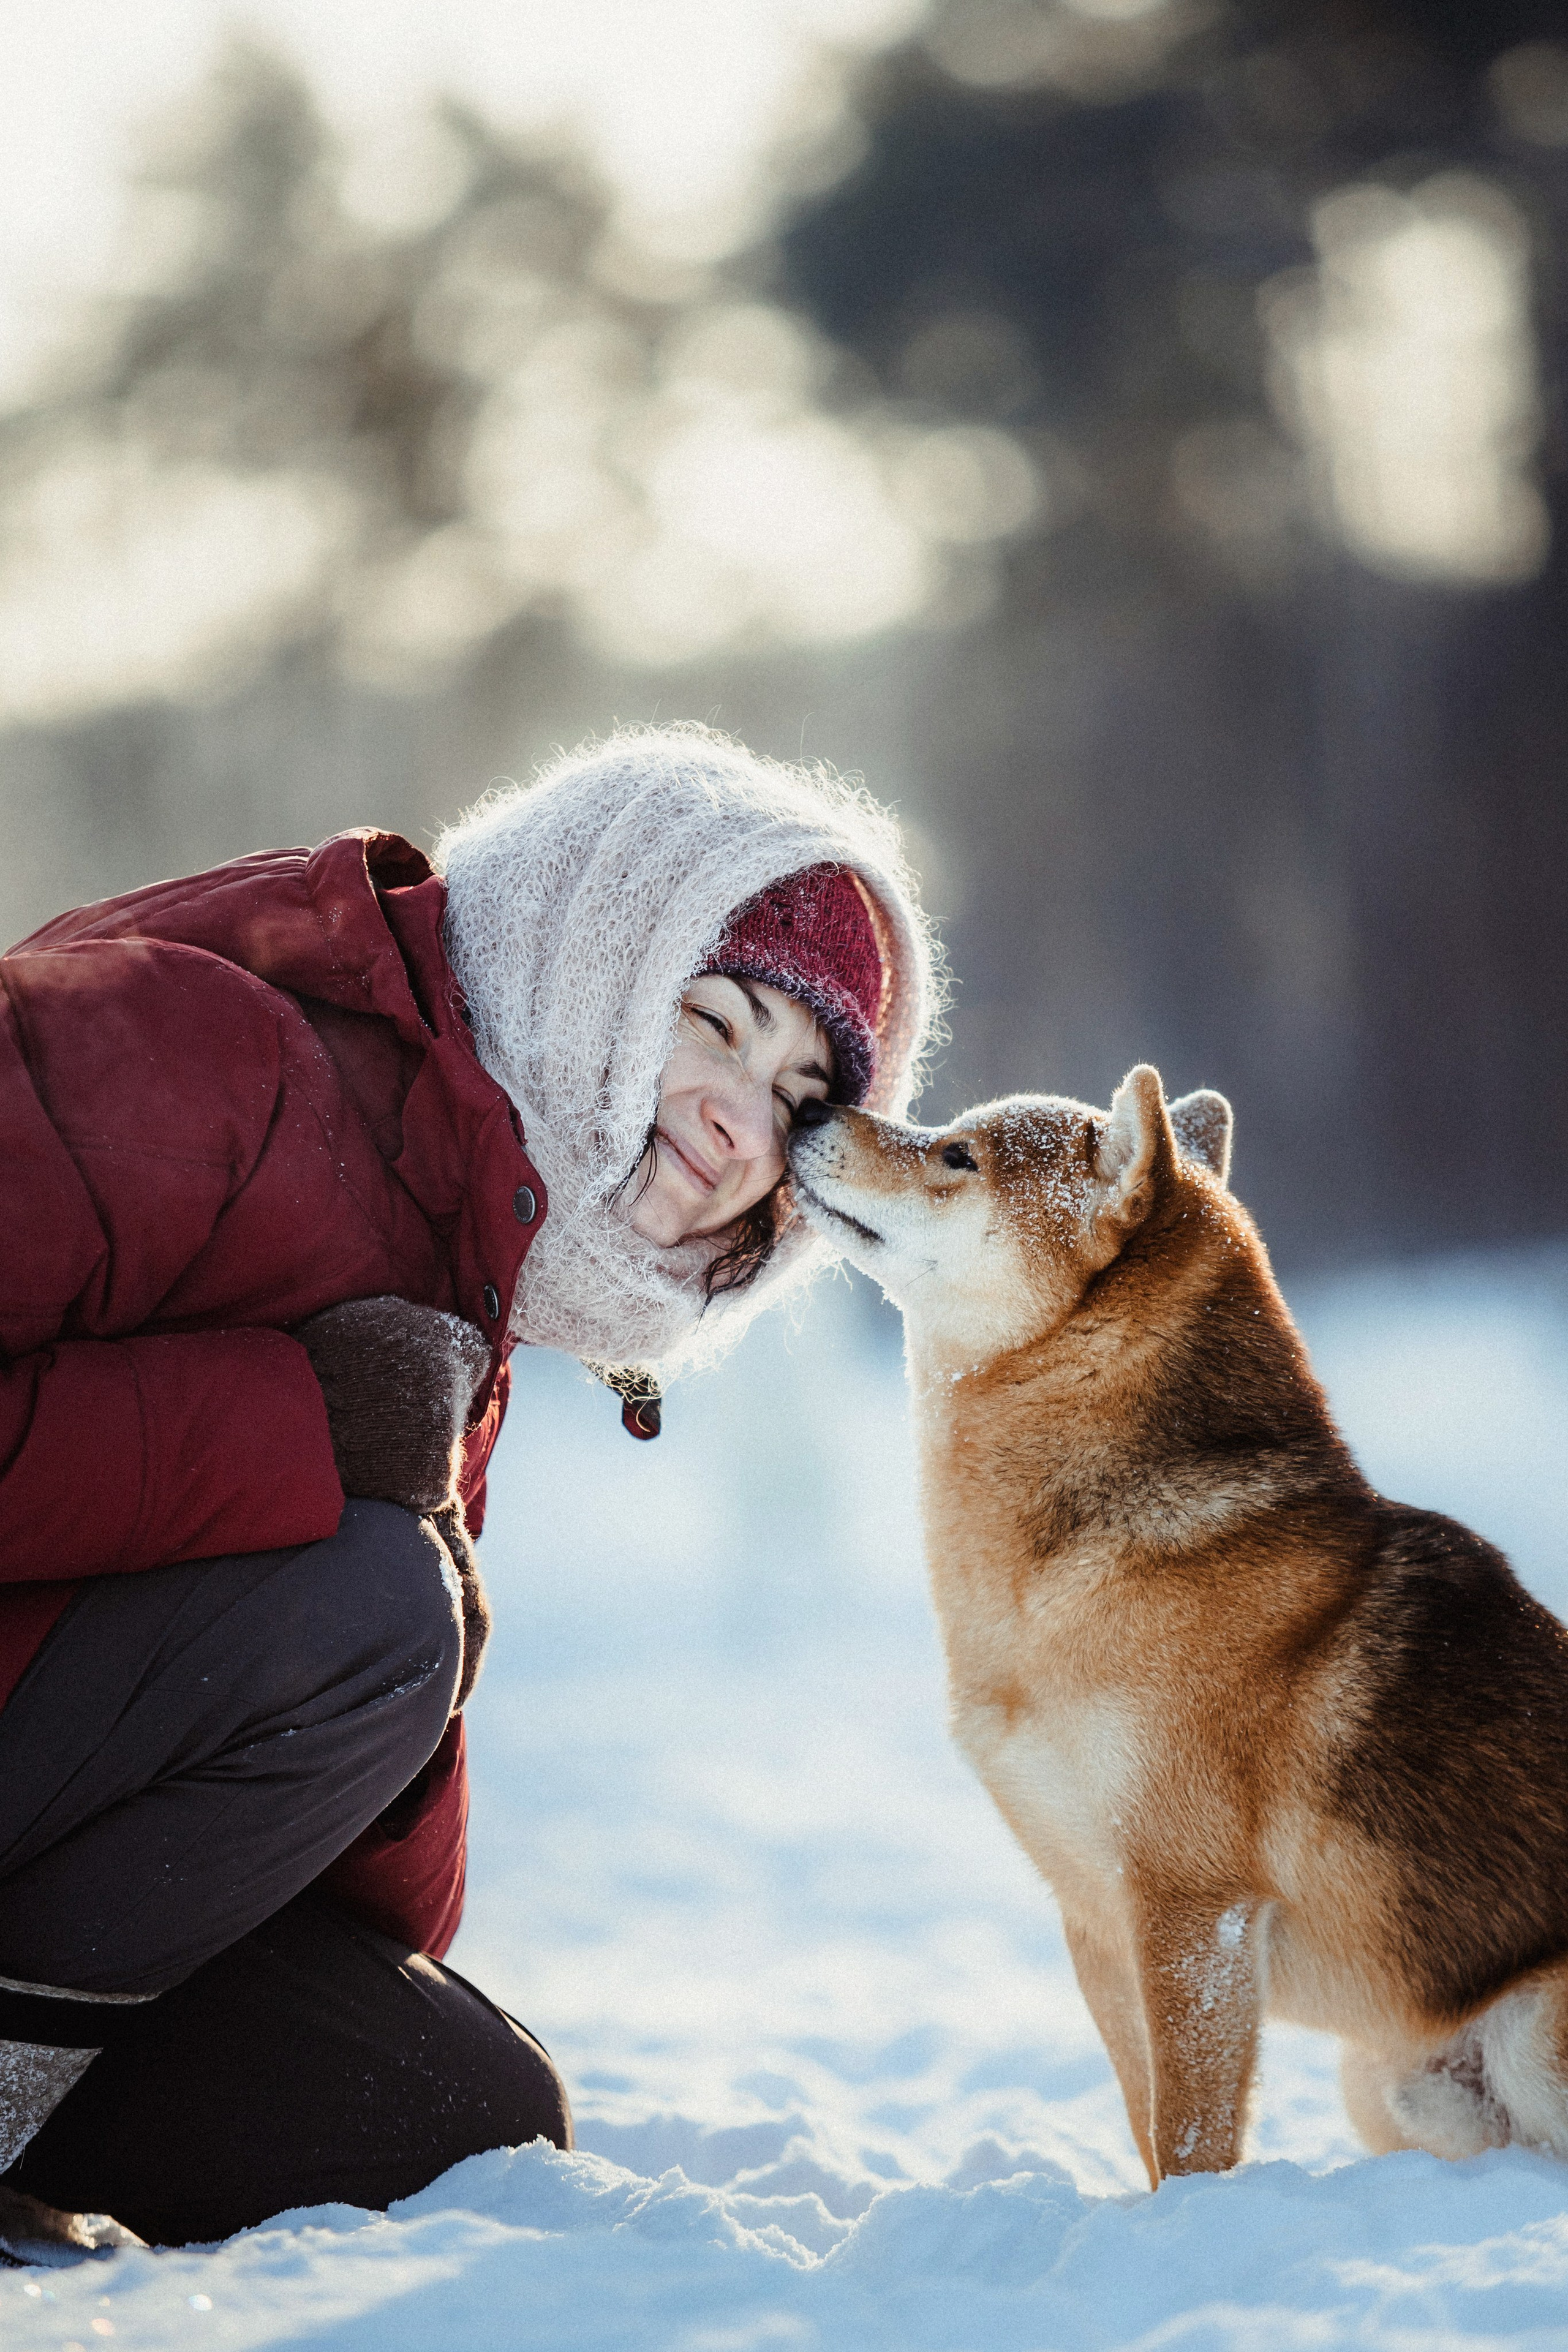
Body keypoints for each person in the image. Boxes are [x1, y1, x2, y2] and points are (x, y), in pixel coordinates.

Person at [0, 724, 937, 2247]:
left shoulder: (461, 1239)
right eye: (712, 1020)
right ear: (592, 952)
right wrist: (298, 1439)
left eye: (800, 1092)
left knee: (455, 2111)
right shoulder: (208, 1047)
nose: (739, 1126)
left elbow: (337, 1852)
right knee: (375, 1603)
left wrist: (396, 1568)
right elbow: (344, 1616)